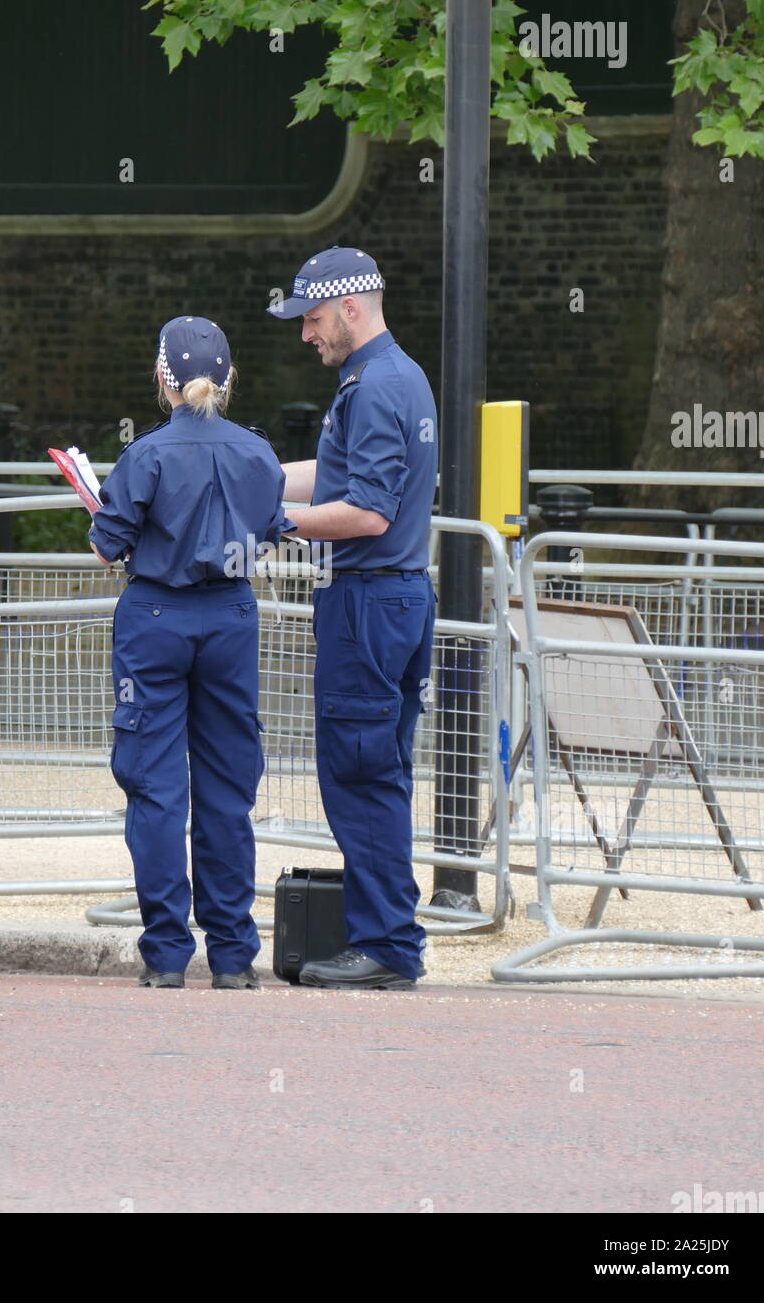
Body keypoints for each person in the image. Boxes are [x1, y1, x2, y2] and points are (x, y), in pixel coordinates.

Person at [89, 316, 295, 990]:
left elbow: (106, 546)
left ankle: (167, 953)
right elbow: (271, 529)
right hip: (231, 615)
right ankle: (233, 955)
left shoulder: (145, 454)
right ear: (229, 378)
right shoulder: (257, 453)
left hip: (155, 615)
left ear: (162, 377)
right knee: (228, 787)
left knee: (154, 786)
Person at [267, 246, 438, 990]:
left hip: (366, 600)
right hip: (396, 598)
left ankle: (387, 946)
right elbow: (337, 476)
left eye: (311, 318)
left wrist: (273, 523)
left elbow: (367, 512)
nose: (307, 333)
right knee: (380, 772)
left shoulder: (371, 388)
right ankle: (389, 935)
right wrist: (245, 474)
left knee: (360, 775)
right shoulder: (399, 376)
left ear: (349, 307)